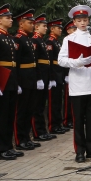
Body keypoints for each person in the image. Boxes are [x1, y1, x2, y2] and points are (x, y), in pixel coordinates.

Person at [58, 5, 91, 163]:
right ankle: (80, 151)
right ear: (74, 21)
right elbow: (61, 60)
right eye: (79, 20)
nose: (82, 23)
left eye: (85, 20)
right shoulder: (69, 39)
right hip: (78, 85)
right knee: (79, 120)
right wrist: (78, 62)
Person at [0, 4, 24, 160]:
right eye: (7, 18)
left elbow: (14, 64)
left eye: (11, 17)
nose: (11, 20)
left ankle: (9, 146)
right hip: (1, 82)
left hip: (11, 81)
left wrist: (17, 83)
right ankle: (1, 149)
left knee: (10, 116)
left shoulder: (10, 38)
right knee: (1, 117)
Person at [14, 9, 43, 151]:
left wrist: (37, 79)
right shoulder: (18, 39)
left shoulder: (28, 39)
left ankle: (27, 137)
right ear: (21, 24)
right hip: (23, 79)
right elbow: (16, 64)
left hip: (31, 79)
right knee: (21, 111)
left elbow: (35, 61)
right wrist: (18, 82)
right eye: (29, 23)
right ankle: (20, 140)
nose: (32, 25)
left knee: (29, 110)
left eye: (33, 23)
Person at [31, 14, 56, 142]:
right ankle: (37, 132)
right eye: (44, 26)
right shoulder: (35, 41)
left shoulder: (41, 40)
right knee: (37, 106)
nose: (46, 28)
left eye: (46, 26)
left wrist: (50, 78)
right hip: (39, 75)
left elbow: (48, 61)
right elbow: (35, 61)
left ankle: (43, 130)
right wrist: (38, 78)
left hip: (45, 76)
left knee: (41, 105)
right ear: (36, 27)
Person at [46, 18, 67, 135]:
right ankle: (53, 125)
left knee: (58, 101)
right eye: (58, 28)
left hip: (59, 74)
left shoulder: (57, 42)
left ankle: (58, 124)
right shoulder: (50, 42)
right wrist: (52, 78)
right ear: (52, 29)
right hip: (54, 74)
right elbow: (49, 62)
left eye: (60, 28)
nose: (60, 30)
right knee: (53, 102)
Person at [62, 20, 76, 129]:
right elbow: (60, 61)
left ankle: (72, 119)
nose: (75, 31)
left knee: (72, 100)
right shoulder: (66, 41)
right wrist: (65, 75)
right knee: (67, 100)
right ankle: (67, 120)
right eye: (73, 29)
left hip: (74, 74)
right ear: (68, 31)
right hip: (66, 74)